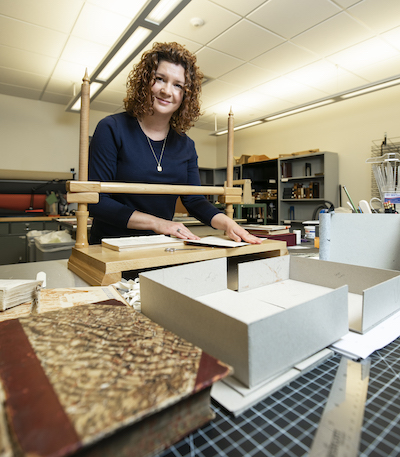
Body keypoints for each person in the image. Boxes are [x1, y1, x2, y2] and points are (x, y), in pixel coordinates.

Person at [88, 42, 261, 245]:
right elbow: (98, 201)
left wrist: (227, 223)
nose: (167, 91)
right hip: (110, 248)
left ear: (186, 95)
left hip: (160, 248)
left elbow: (194, 200)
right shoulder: (112, 128)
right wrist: (158, 223)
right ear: (145, 82)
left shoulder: (186, 146)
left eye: (177, 85)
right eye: (160, 79)